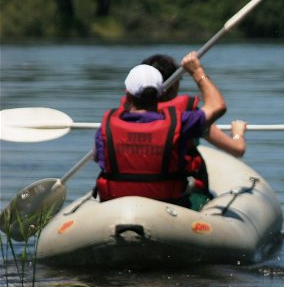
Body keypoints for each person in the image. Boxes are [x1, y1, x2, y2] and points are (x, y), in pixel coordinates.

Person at [93, 51, 247, 208]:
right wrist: (197, 71)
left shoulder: (111, 123)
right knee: (207, 197)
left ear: (128, 92)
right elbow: (220, 112)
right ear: (165, 89)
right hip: (169, 205)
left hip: (117, 205)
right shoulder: (183, 121)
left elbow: (98, 159)